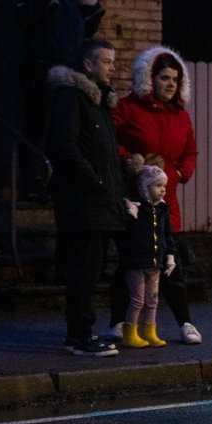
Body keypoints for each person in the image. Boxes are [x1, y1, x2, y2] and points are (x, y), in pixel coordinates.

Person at [109, 46, 202, 344]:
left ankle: (185, 323)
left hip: (166, 202)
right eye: (164, 78)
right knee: (130, 263)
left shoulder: (181, 116)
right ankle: (119, 323)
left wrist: (180, 173)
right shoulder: (128, 108)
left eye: (175, 79)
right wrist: (131, 162)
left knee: (171, 262)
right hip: (135, 201)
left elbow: (190, 152)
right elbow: (108, 141)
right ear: (150, 78)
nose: (170, 84)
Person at [47, 38, 125, 356]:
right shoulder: (72, 97)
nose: (112, 68)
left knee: (91, 271)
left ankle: (79, 333)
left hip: (100, 203)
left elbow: (105, 152)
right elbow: (64, 146)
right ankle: (80, 335)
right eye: (107, 61)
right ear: (88, 64)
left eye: (113, 62)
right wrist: (95, 182)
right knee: (82, 271)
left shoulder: (100, 101)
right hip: (82, 202)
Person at [17, 0, 104, 196]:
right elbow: (24, 19)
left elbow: (83, 31)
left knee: (64, 130)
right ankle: (33, 182)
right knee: (39, 125)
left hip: (70, 72)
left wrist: (92, 7)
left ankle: (58, 182)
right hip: (42, 70)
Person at [119, 166, 176, 349]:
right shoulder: (135, 208)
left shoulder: (161, 209)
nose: (162, 189)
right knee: (137, 300)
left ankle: (149, 332)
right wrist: (130, 217)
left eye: (164, 186)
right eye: (157, 185)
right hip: (137, 262)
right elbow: (127, 235)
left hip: (155, 261)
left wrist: (170, 257)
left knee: (153, 299)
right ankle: (130, 333)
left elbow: (167, 234)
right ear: (145, 187)